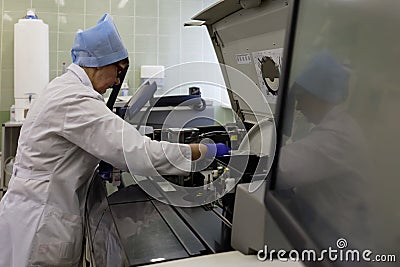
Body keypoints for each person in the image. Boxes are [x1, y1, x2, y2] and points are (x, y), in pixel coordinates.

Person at [0, 14, 228, 266]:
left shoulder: (63, 87)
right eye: (117, 71)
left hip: (34, 212)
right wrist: (203, 151)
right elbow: (137, 152)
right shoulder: (76, 99)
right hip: (43, 223)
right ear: (99, 63)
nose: (117, 81)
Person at [276, 52, 373, 254]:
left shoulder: (338, 136)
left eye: (301, 98)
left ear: (319, 96)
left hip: (341, 241)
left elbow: (283, 170)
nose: (299, 106)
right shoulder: (332, 126)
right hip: (322, 226)